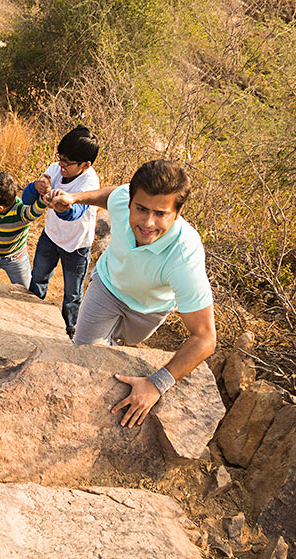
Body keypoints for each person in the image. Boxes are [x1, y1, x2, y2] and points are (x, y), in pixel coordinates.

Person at [46, 159, 216, 427]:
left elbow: (205, 337)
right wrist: (75, 196)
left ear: (177, 213)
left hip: (149, 309)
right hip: (108, 285)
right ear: (130, 202)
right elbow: (109, 195)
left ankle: (110, 342)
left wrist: (156, 384)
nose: (148, 222)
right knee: (86, 354)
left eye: (161, 214)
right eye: (141, 209)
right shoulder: (122, 199)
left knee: (121, 348)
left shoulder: (184, 255)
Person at [21, 126, 101, 339]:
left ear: (85, 165)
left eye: (68, 162)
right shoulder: (55, 169)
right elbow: (26, 200)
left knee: (72, 294)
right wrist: (36, 187)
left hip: (76, 245)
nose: (61, 165)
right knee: (38, 279)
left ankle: (70, 330)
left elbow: (76, 212)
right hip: (51, 236)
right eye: (61, 158)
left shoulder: (89, 182)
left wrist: (61, 206)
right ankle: (32, 317)